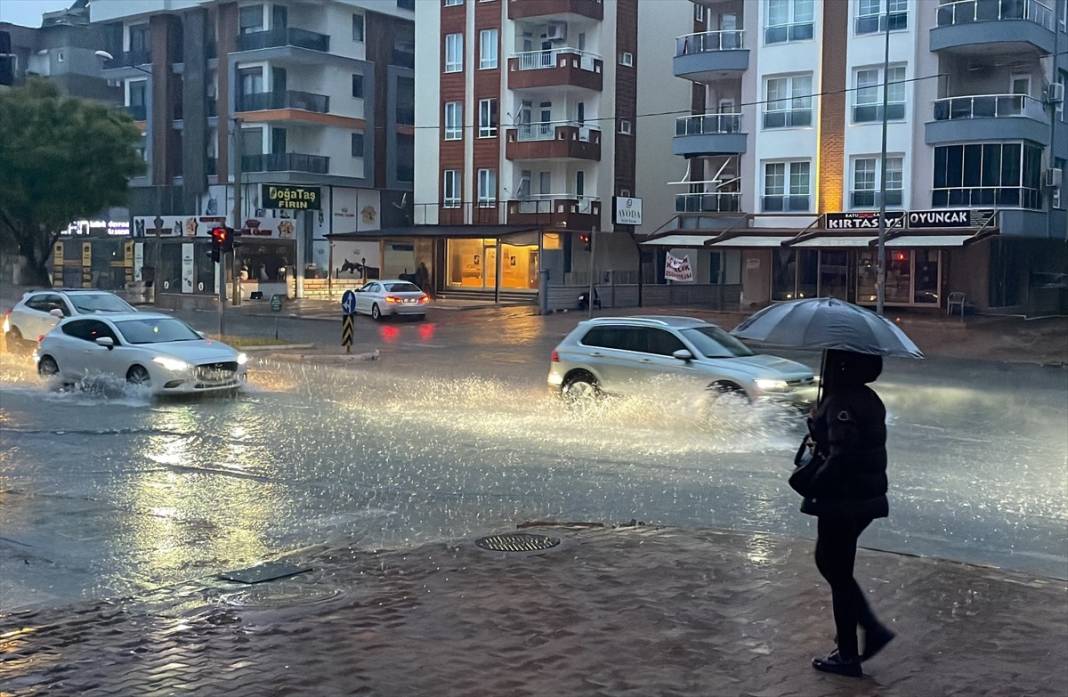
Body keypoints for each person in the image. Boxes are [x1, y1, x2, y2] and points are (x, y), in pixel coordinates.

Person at [803, 349, 896, 677]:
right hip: (863, 498)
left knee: (836, 570)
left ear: (842, 366)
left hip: (844, 498)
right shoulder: (867, 397)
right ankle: (864, 634)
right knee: (833, 564)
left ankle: (851, 651)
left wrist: (813, 482)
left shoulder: (842, 401)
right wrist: (818, 426)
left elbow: (841, 454)